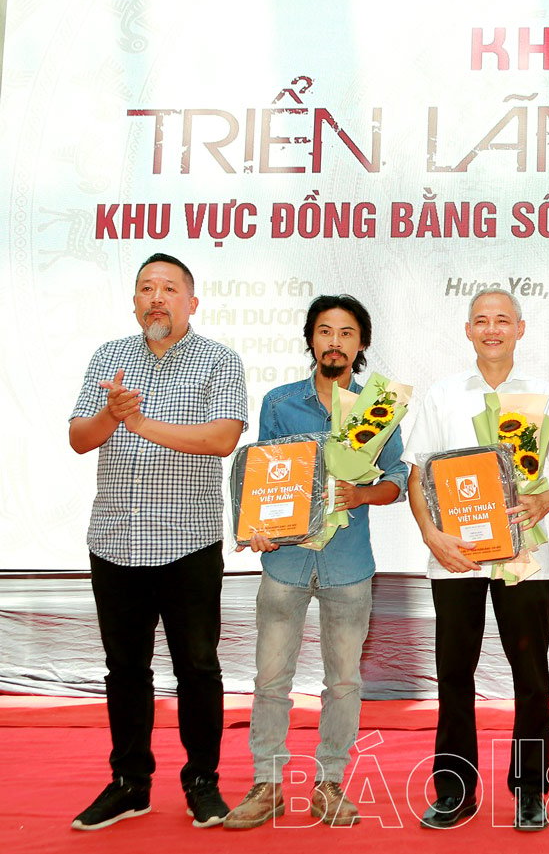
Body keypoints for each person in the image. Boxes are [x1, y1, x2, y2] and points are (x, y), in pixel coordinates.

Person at [68, 253, 247, 830]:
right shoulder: (109, 357)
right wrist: (113, 416)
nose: (156, 298)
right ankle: (129, 783)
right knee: (124, 669)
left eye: (170, 288)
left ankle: (202, 781)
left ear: (192, 303)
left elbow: (223, 439)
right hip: (115, 539)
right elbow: (78, 437)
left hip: (187, 543)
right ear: (135, 301)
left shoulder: (219, 361)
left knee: (198, 667)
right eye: (146, 288)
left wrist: (142, 424)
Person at [223, 295, 406, 830]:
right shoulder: (280, 403)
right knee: (270, 678)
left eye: (346, 333)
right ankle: (268, 784)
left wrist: (361, 494)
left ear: (361, 344)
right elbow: (265, 475)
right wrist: (258, 526)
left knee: (344, 681)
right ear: (310, 340)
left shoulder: (379, 408)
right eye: (324, 331)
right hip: (285, 562)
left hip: (349, 565)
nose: (334, 341)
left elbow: (397, 479)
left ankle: (329, 784)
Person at [403, 288, 549, 832]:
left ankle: (530, 790)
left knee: (531, 673)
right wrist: (432, 536)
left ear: (520, 329)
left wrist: (546, 498)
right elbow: (417, 475)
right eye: (482, 320)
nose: (493, 329)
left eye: (503, 320)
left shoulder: (546, 394)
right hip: (454, 557)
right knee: (454, 673)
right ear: (468, 330)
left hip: (524, 555)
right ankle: (454, 790)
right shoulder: (443, 395)